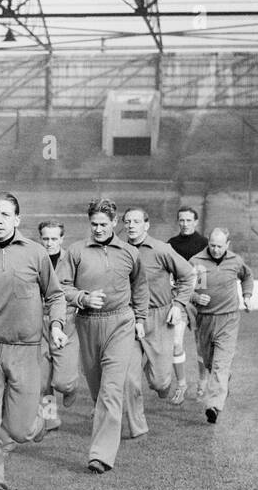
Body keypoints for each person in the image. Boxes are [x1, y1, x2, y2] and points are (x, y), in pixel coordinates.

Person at [0, 192, 66, 490]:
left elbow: (56, 295)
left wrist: (57, 325)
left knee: (20, 431)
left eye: (5, 214)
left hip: (25, 350)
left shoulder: (36, 254)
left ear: (17, 219)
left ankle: (39, 423)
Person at [58, 199, 148, 474]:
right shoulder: (75, 251)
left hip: (120, 323)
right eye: (93, 224)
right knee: (99, 390)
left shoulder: (130, 252)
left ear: (114, 222)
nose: (97, 229)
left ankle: (101, 455)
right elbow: (60, 287)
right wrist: (82, 298)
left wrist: (141, 319)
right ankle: (109, 424)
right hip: (87, 324)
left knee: (111, 390)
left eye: (103, 224)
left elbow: (140, 286)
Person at [121, 207, 194, 433]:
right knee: (130, 379)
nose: (131, 225)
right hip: (130, 319)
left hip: (159, 318)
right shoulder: (118, 250)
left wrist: (178, 304)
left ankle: (159, 380)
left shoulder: (162, 249)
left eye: (136, 221)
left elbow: (188, 274)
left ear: (147, 224)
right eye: (127, 221)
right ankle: (138, 426)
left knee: (160, 382)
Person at [189, 228, 253, 425]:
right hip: (204, 319)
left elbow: (247, 277)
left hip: (228, 319)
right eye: (212, 245)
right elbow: (185, 288)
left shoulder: (235, 261)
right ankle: (223, 380)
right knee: (210, 363)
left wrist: (247, 296)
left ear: (228, 244)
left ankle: (214, 406)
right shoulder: (196, 262)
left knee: (220, 364)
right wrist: (196, 297)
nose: (215, 250)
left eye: (219, 246)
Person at [37, 220, 80, 431]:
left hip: (66, 323)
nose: (49, 243)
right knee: (42, 379)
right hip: (37, 323)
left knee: (62, 381)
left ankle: (70, 388)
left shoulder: (72, 260)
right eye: (45, 238)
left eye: (54, 239)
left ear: (62, 239)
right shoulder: (34, 258)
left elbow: (79, 289)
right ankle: (50, 418)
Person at [168, 207, 209, 399]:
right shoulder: (170, 245)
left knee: (202, 345)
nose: (184, 224)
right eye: (181, 220)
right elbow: (167, 276)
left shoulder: (205, 244)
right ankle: (181, 384)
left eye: (188, 220)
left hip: (200, 301)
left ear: (196, 221)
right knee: (176, 343)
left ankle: (203, 381)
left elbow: (205, 275)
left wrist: (197, 295)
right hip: (178, 301)